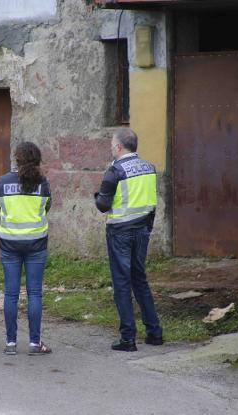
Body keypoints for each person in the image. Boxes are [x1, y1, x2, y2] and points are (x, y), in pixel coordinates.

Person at [94, 128, 163, 351]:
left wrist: (97, 196)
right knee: (139, 279)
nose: (110, 147)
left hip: (120, 232)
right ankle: (154, 332)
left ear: (119, 147)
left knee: (122, 284)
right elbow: (152, 202)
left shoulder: (114, 171)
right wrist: (147, 227)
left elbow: (103, 206)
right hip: (142, 229)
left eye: (112, 144)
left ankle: (128, 338)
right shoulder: (149, 168)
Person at [0, 142, 52, 356]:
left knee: (11, 293)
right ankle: (35, 343)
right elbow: (47, 207)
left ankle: (10, 343)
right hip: (36, 242)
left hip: (9, 242)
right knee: (34, 292)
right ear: (37, 160)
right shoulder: (43, 183)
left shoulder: (2, 182)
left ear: (16, 159)